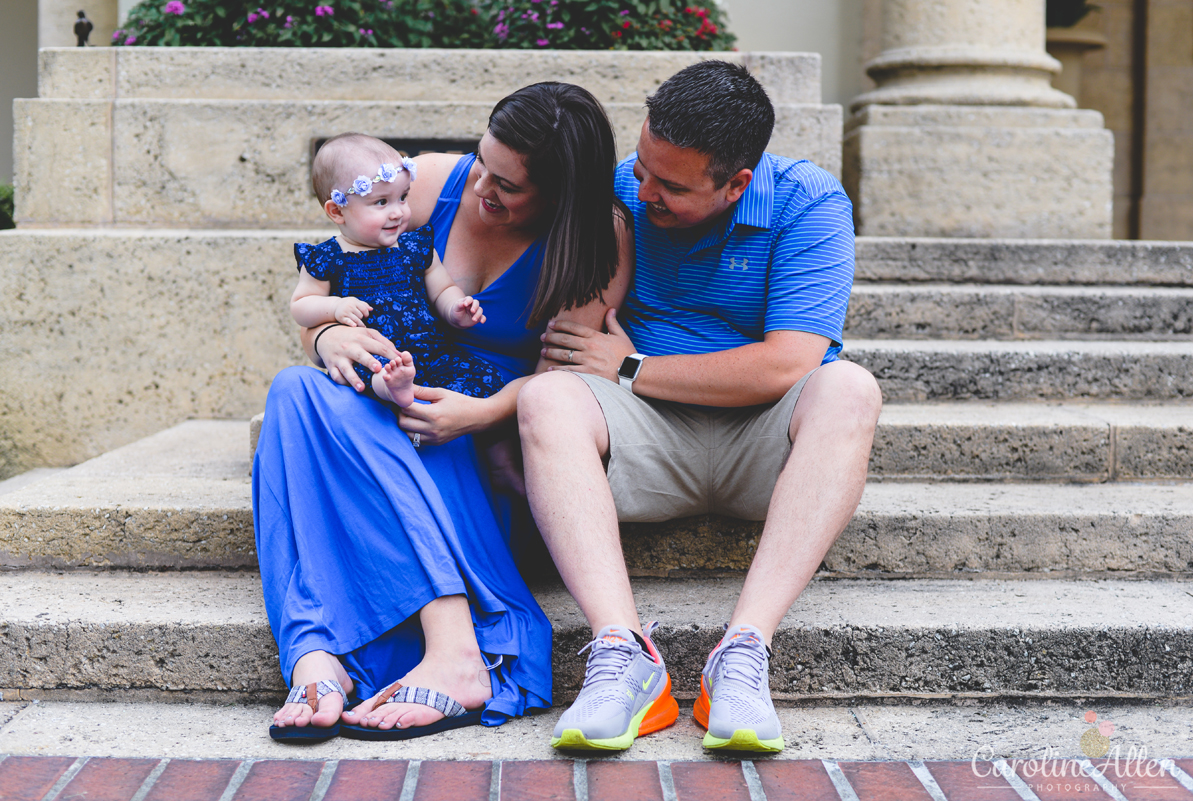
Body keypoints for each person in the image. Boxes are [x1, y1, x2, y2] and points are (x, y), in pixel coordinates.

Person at [518, 60, 882, 754]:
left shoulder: (811, 204)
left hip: (762, 447)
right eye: (644, 165)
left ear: (736, 183)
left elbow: (787, 364)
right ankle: (624, 653)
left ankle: (742, 654)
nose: (642, 187)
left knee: (849, 386)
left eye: (671, 185)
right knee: (546, 398)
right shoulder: (624, 186)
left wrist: (629, 364)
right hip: (643, 438)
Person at [254, 81, 632, 742]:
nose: (483, 185)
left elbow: (561, 377)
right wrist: (325, 336)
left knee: (350, 426)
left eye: (507, 185)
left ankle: (454, 645)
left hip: (477, 429)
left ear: (558, 195)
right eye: (483, 160)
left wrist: (479, 413)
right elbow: (332, 285)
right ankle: (315, 655)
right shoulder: (423, 181)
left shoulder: (596, 237)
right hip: (386, 393)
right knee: (293, 390)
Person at [291, 134, 498, 410]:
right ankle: (394, 389)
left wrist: (456, 309)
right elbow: (301, 306)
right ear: (337, 212)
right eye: (381, 202)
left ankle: (500, 450)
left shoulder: (415, 247)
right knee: (372, 367)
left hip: (431, 353)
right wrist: (334, 307)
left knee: (482, 378)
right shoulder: (327, 258)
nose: (398, 212)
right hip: (375, 352)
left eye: (402, 197)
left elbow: (443, 290)